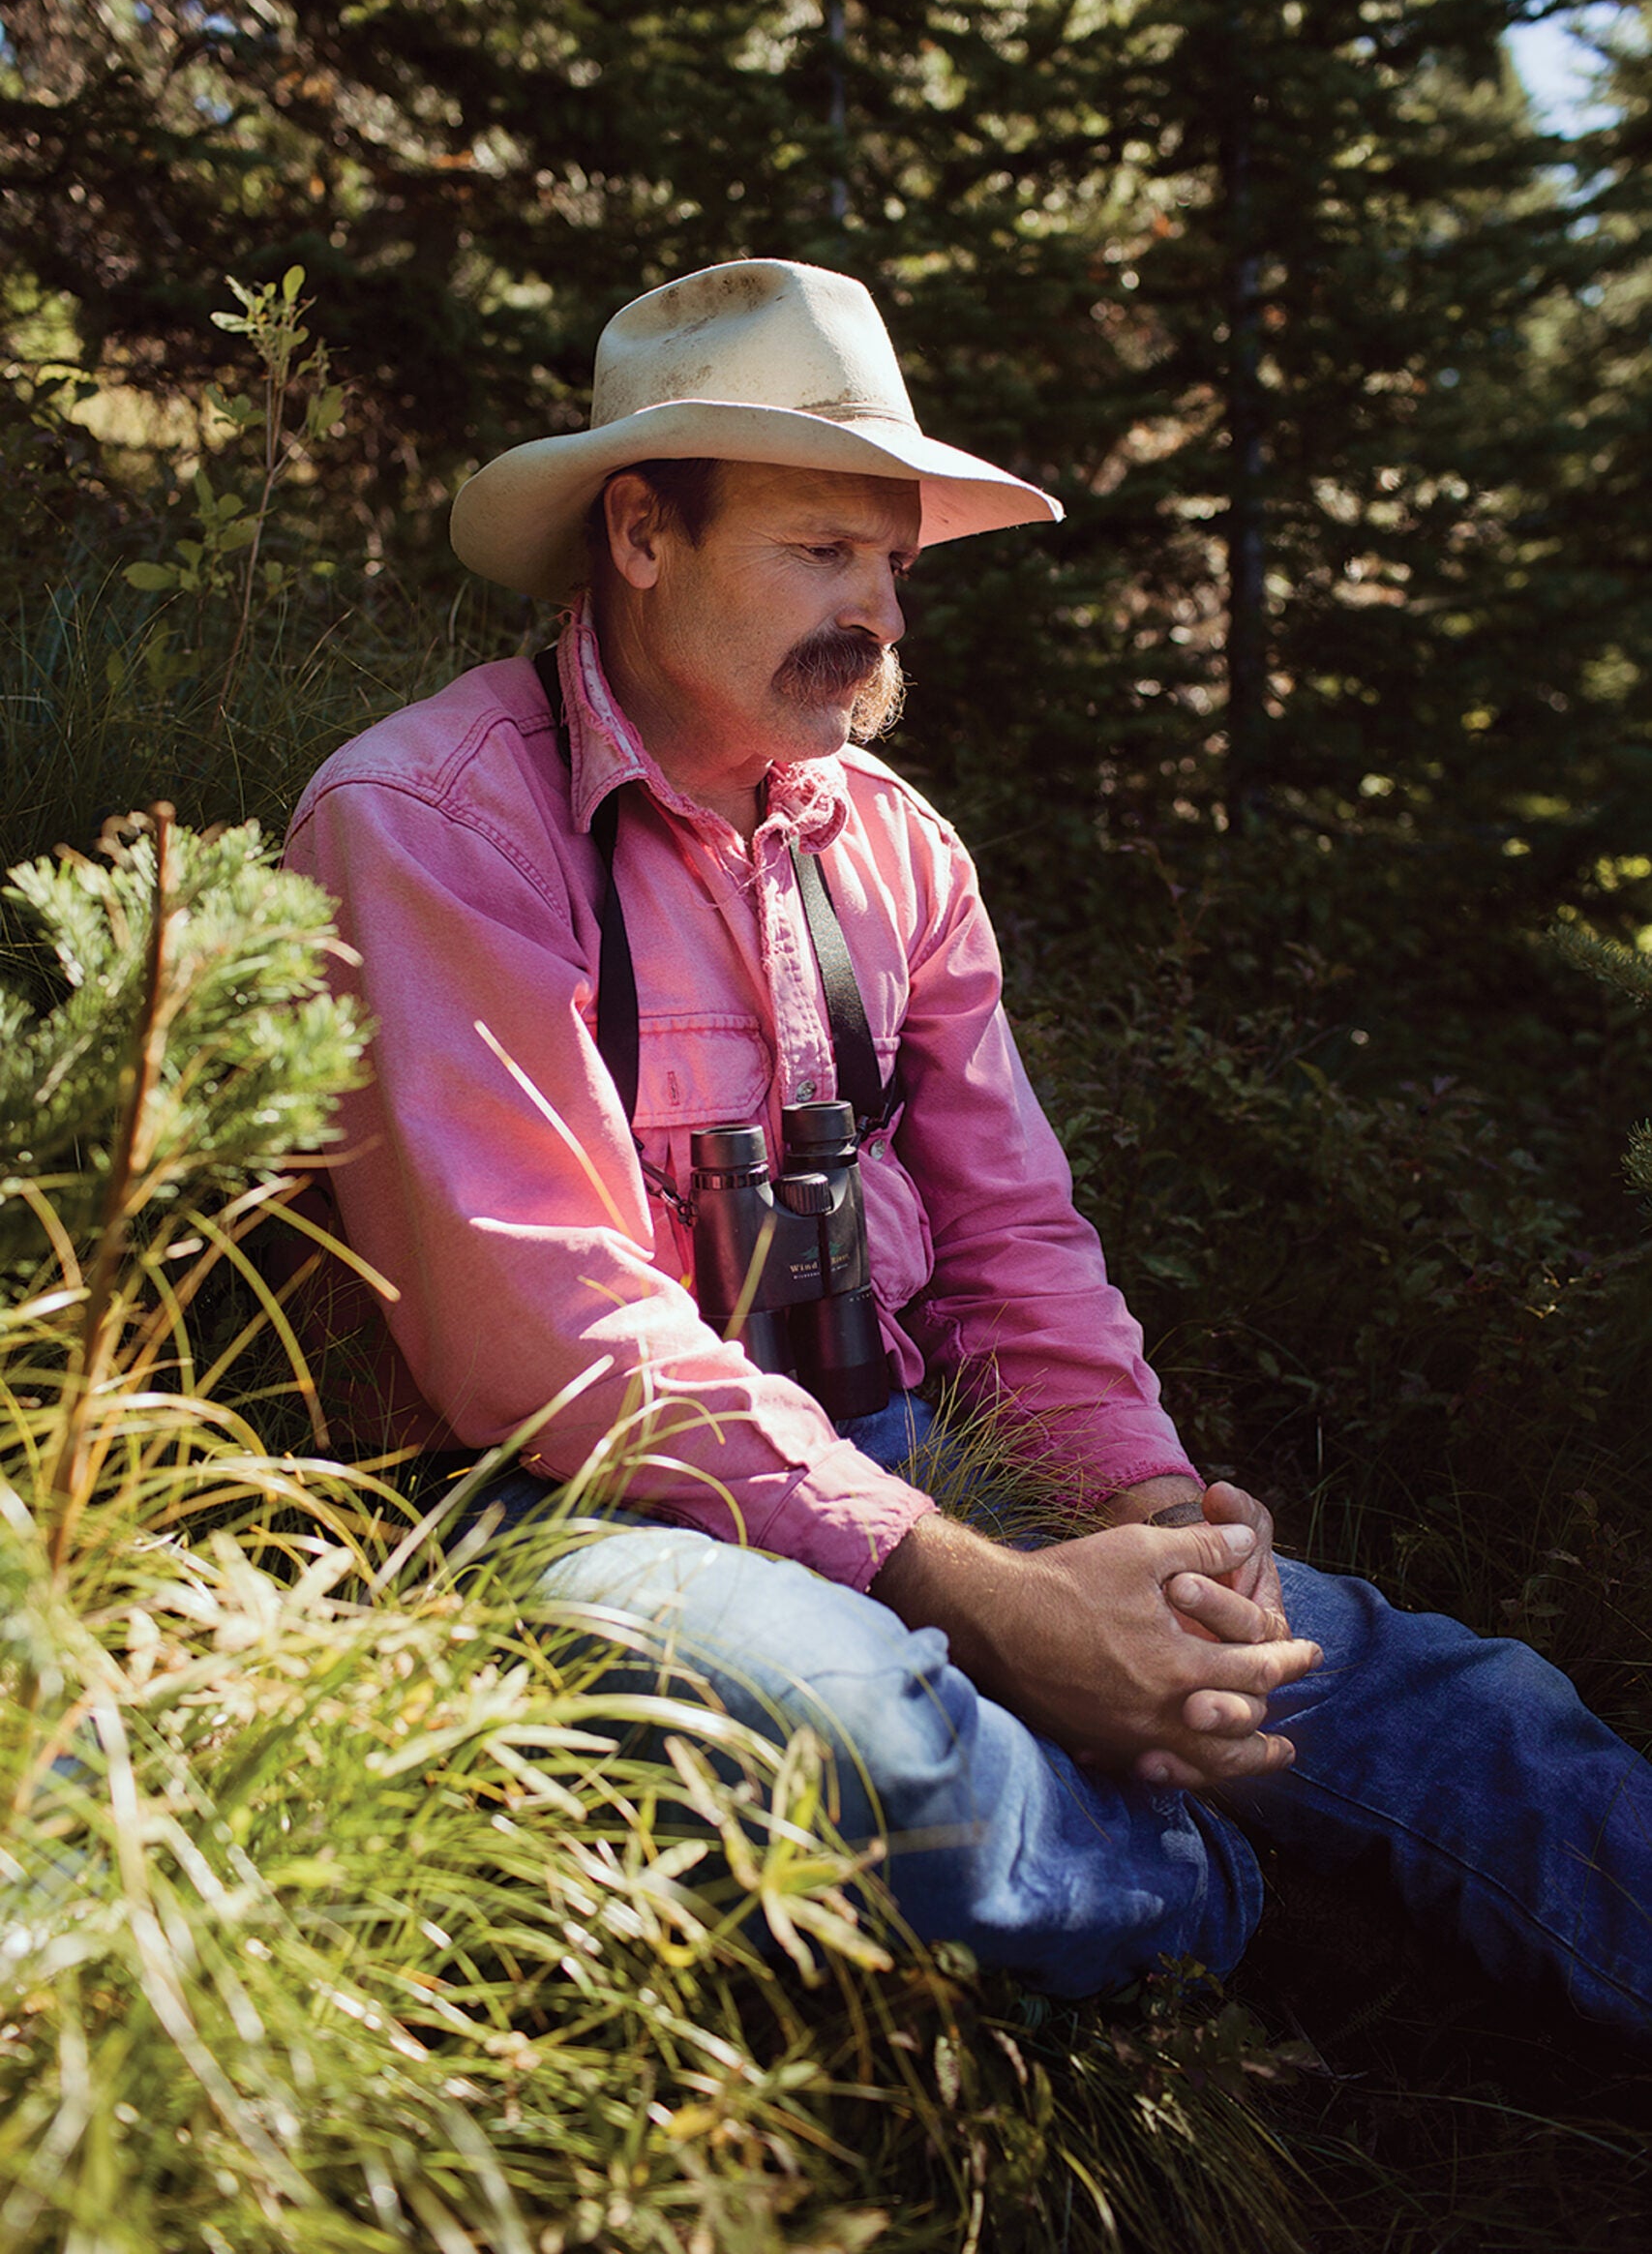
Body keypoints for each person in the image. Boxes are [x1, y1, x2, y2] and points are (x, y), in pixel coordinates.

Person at [285, 258, 1652, 2032]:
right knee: (866, 1748)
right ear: (639, 533)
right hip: (574, 1512)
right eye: (822, 553)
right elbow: (545, 1336)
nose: (884, 616)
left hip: (909, 1456)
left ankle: (1220, 1856)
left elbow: (1017, 1242)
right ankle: (1234, 1897)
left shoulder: (899, 853)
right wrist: (987, 1601)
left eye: (897, 567)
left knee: (1440, 1695)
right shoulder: (430, 824)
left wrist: (1147, 1518)